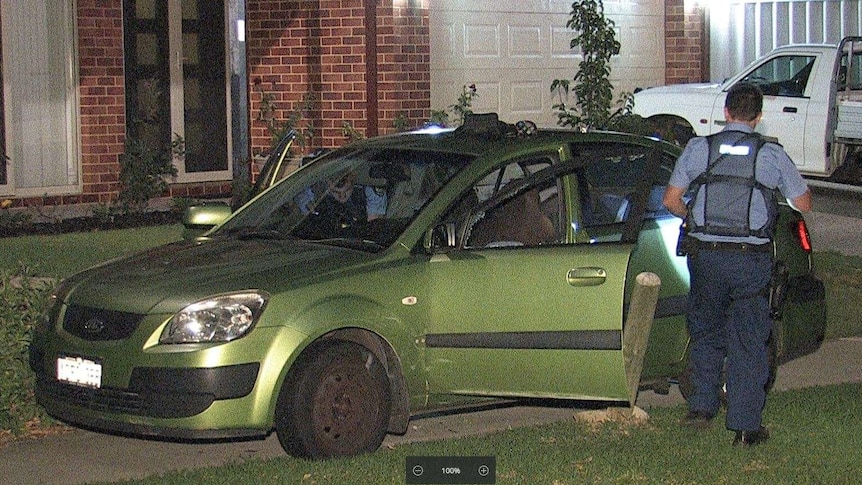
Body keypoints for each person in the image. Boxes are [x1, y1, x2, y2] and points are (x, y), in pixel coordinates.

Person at [662, 82, 812, 447]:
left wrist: (692, 219)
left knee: (705, 331)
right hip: (750, 260)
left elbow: (670, 200)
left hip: (707, 256)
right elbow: (803, 204)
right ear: (758, 117)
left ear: (726, 112)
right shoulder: (771, 154)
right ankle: (745, 427)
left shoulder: (700, 148)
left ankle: (701, 408)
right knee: (748, 340)